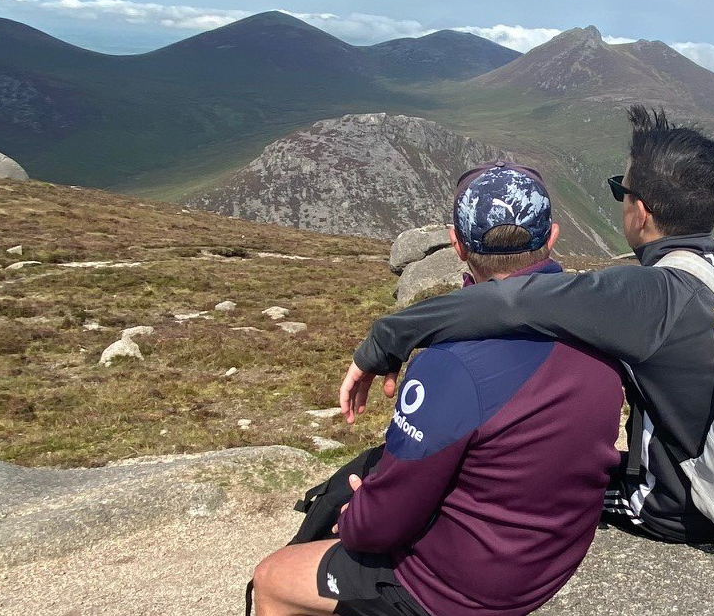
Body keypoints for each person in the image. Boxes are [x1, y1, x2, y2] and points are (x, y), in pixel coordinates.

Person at [341, 106, 714, 544]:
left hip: (673, 507)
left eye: (619, 190)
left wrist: (387, 336)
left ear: (640, 213)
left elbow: (514, 300)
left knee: (505, 493)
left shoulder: (649, 293)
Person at [252, 163, 623, 616]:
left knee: (271, 577)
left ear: (458, 245)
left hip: (460, 589)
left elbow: (379, 529)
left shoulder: (450, 364)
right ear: (552, 236)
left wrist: (353, 516)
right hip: (547, 563)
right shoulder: (605, 326)